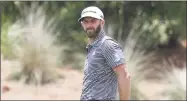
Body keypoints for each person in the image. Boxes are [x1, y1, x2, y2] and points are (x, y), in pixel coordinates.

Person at [78, 6, 131, 100]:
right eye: (86, 21)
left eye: (93, 21)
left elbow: (124, 75)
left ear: (102, 22)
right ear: (82, 24)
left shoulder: (107, 44)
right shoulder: (92, 47)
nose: (89, 25)